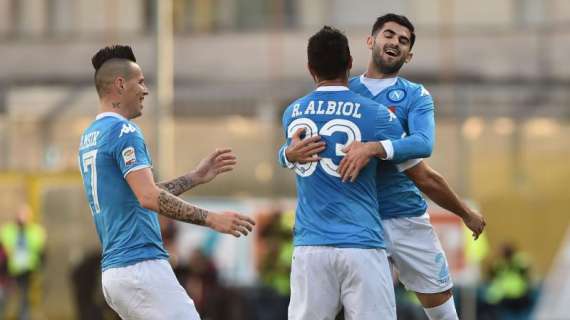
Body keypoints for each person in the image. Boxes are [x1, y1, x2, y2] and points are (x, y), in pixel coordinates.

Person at [279, 14, 486, 320]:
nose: (395, 42)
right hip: (356, 222)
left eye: (404, 41)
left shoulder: (415, 95)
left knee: (442, 311)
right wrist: (286, 153)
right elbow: (301, 142)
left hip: (402, 215)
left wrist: (374, 148)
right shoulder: (344, 91)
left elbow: (423, 147)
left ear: (409, 55)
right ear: (370, 41)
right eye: (389, 35)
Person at [78, 45, 255, 319]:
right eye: (141, 82)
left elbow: (140, 194)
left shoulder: (91, 135)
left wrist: (194, 177)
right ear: (120, 84)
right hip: (140, 266)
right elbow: (148, 197)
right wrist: (212, 219)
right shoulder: (124, 131)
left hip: (115, 272)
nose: (145, 90)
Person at [282, 26, 424, 320]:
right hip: (362, 245)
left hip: (311, 247)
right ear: (349, 63)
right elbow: (416, 154)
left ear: (311, 69)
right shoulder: (376, 114)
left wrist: (284, 155)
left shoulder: (293, 112)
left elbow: (289, 154)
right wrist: (375, 148)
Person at [0, 205, 46, 320]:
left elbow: (41, 251)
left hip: (27, 270)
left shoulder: (36, 231)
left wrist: (40, 267)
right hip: (9, 270)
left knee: (24, 298)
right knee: (4, 297)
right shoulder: (8, 230)